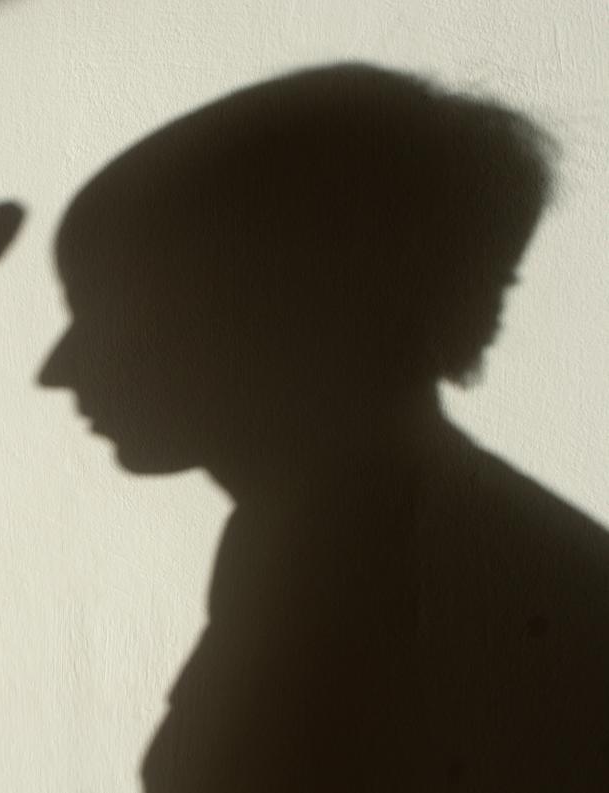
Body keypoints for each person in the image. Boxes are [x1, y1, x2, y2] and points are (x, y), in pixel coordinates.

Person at [39, 63, 609, 791]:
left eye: (107, 312)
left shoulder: (432, 579)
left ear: (266, 304)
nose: (57, 368)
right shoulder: (338, 540)